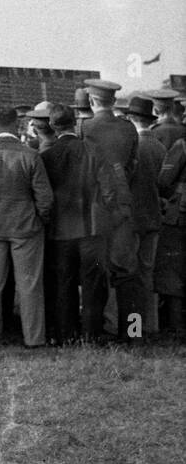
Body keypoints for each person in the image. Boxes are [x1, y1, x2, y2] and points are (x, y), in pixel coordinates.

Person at [0, 105, 53, 347]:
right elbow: (45, 199)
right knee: (29, 285)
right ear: (17, 125)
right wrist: (41, 219)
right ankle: (34, 338)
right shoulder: (31, 155)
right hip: (25, 227)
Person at [39, 104, 112, 343]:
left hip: (60, 230)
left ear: (52, 126)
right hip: (92, 228)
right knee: (93, 284)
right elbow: (110, 191)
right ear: (76, 123)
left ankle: (64, 334)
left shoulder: (47, 157)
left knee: (63, 283)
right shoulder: (94, 151)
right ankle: (91, 334)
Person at [81, 79, 142, 341]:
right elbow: (133, 166)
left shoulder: (85, 127)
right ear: (113, 101)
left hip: (95, 206)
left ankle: (94, 333)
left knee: (95, 271)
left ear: (93, 101)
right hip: (123, 202)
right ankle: (133, 333)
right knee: (128, 273)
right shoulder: (128, 129)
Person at [125, 95, 166, 334]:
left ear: (131, 118)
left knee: (128, 275)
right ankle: (150, 325)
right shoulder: (160, 147)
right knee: (147, 274)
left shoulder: (129, 146)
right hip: (153, 217)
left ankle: (132, 327)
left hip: (130, 219)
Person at [156, 135, 186, 334]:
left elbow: (163, 180)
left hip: (181, 215)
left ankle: (176, 325)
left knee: (173, 270)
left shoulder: (182, 145)